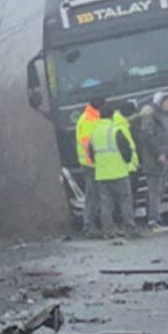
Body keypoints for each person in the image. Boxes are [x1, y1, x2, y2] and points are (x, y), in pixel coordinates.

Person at [88, 102, 139, 239]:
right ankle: (129, 227)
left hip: (102, 174)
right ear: (112, 116)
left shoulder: (94, 133)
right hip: (119, 172)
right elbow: (126, 151)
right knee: (125, 201)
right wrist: (127, 163)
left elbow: (91, 154)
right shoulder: (116, 131)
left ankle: (108, 230)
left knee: (106, 204)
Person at [134, 92, 168, 230]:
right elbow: (147, 137)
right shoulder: (150, 116)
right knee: (154, 190)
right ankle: (153, 220)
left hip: (166, 157)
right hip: (155, 160)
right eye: (166, 102)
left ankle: (156, 218)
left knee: (161, 190)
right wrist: (159, 153)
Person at [76, 97, 105, 236]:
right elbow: (87, 143)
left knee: (96, 194)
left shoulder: (93, 117)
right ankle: (89, 225)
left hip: (94, 163)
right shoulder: (88, 119)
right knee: (92, 195)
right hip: (90, 164)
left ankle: (93, 224)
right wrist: (94, 159)